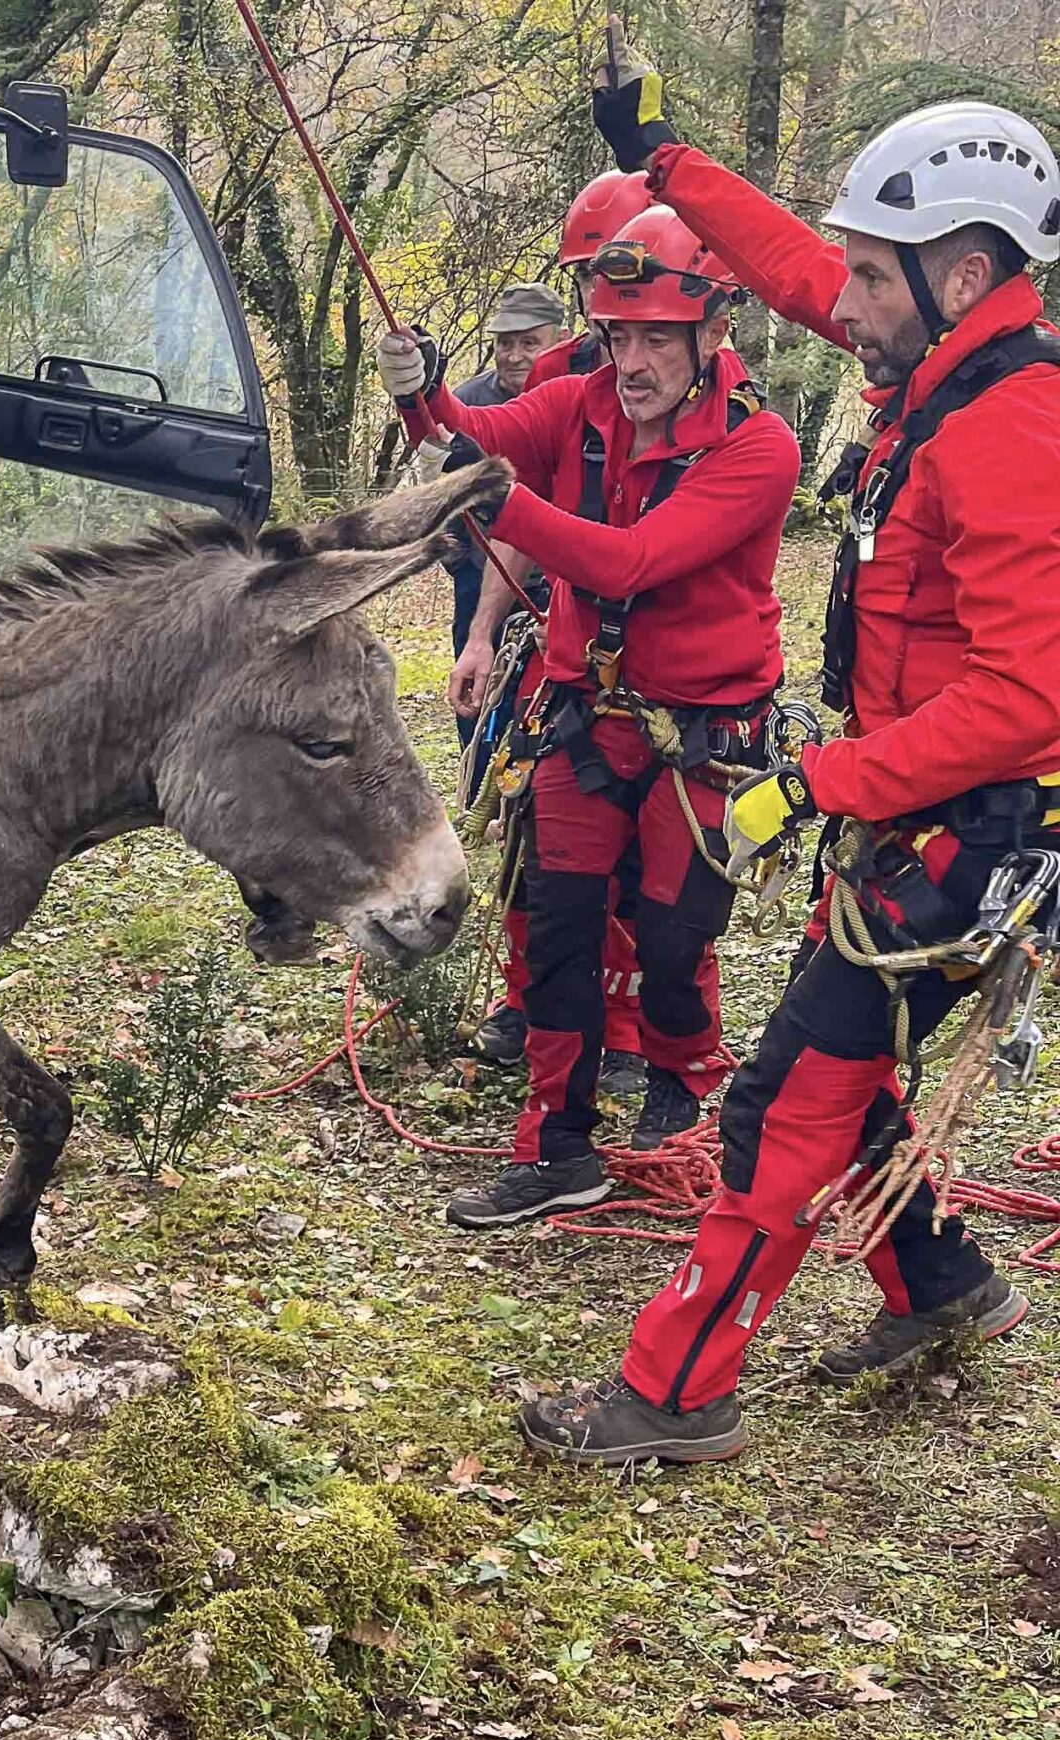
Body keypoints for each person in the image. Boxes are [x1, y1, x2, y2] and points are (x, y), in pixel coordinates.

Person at [512, 64, 1060, 1464]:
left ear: (966, 268)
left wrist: (831, 782)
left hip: (956, 837)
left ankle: (672, 1389)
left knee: (781, 1111)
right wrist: (664, 159)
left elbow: (1027, 698)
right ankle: (946, 1288)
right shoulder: (937, 357)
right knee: (850, 1075)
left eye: (872, 281)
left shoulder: (1010, 429)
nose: (841, 304)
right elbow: (798, 265)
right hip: (912, 822)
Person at [382, 204, 800, 1229]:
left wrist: (490, 496)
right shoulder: (581, 406)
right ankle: (557, 1148)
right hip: (585, 716)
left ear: (712, 334)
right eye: (617, 334)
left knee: (668, 939)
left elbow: (632, 562)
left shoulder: (758, 450)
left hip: (705, 735)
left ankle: (679, 1086)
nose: (633, 359)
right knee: (557, 936)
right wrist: (423, 392)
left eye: (657, 336)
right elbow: (472, 433)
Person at [465, 176, 655, 1088]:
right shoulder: (557, 378)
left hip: (655, 656)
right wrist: (480, 633)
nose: (596, 299)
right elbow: (515, 508)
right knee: (533, 825)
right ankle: (531, 997)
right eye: (583, 276)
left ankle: (631, 1026)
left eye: (607, 271)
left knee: (644, 854)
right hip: (554, 640)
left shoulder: (704, 389)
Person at [443, 283, 568, 787]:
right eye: (504, 342)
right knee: (475, 678)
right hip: (482, 574)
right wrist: (462, 564)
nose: (514, 355)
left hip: (562, 580)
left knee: (544, 692)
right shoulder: (469, 404)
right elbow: (445, 492)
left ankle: (530, 789)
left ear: (558, 338)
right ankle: (477, 787)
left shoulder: (583, 395)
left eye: (529, 342)